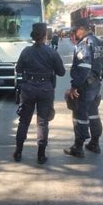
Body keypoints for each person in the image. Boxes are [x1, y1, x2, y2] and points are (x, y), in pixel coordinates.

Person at [13, 23, 65, 164]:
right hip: (45, 90)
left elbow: (18, 69)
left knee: (24, 121)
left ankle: (18, 152)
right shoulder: (52, 52)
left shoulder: (26, 51)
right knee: (42, 123)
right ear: (45, 35)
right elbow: (61, 72)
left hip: (28, 89)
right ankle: (41, 155)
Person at [63, 19, 103, 158]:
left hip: (84, 86)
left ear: (83, 28)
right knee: (93, 113)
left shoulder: (84, 44)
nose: (73, 34)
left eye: (75, 30)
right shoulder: (99, 42)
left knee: (80, 116)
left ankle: (78, 148)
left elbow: (84, 68)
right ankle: (94, 143)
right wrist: (100, 76)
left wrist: (74, 87)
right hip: (95, 85)